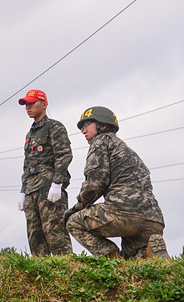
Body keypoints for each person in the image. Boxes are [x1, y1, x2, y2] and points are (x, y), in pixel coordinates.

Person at [64, 106, 169, 259]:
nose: (83, 131)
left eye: (87, 125)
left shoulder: (101, 142)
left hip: (124, 214)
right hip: (154, 220)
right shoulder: (128, 151)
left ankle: (112, 259)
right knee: (133, 258)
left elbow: (94, 185)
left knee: (73, 222)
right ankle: (148, 253)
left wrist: (75, 209)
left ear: (103, 125)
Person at [17, 89, 73, 256]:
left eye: (32, 103)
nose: (28, 107)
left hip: (48, 186)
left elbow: (64, 155)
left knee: (55, 233)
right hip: (31, 188)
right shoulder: (30, 133)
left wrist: (57, 183)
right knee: (35, 237)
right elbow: (27, 164)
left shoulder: (54, 127)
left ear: (44, 104)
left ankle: (66, 271)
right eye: (26, 104)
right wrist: (23, 191)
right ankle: (42, 274)